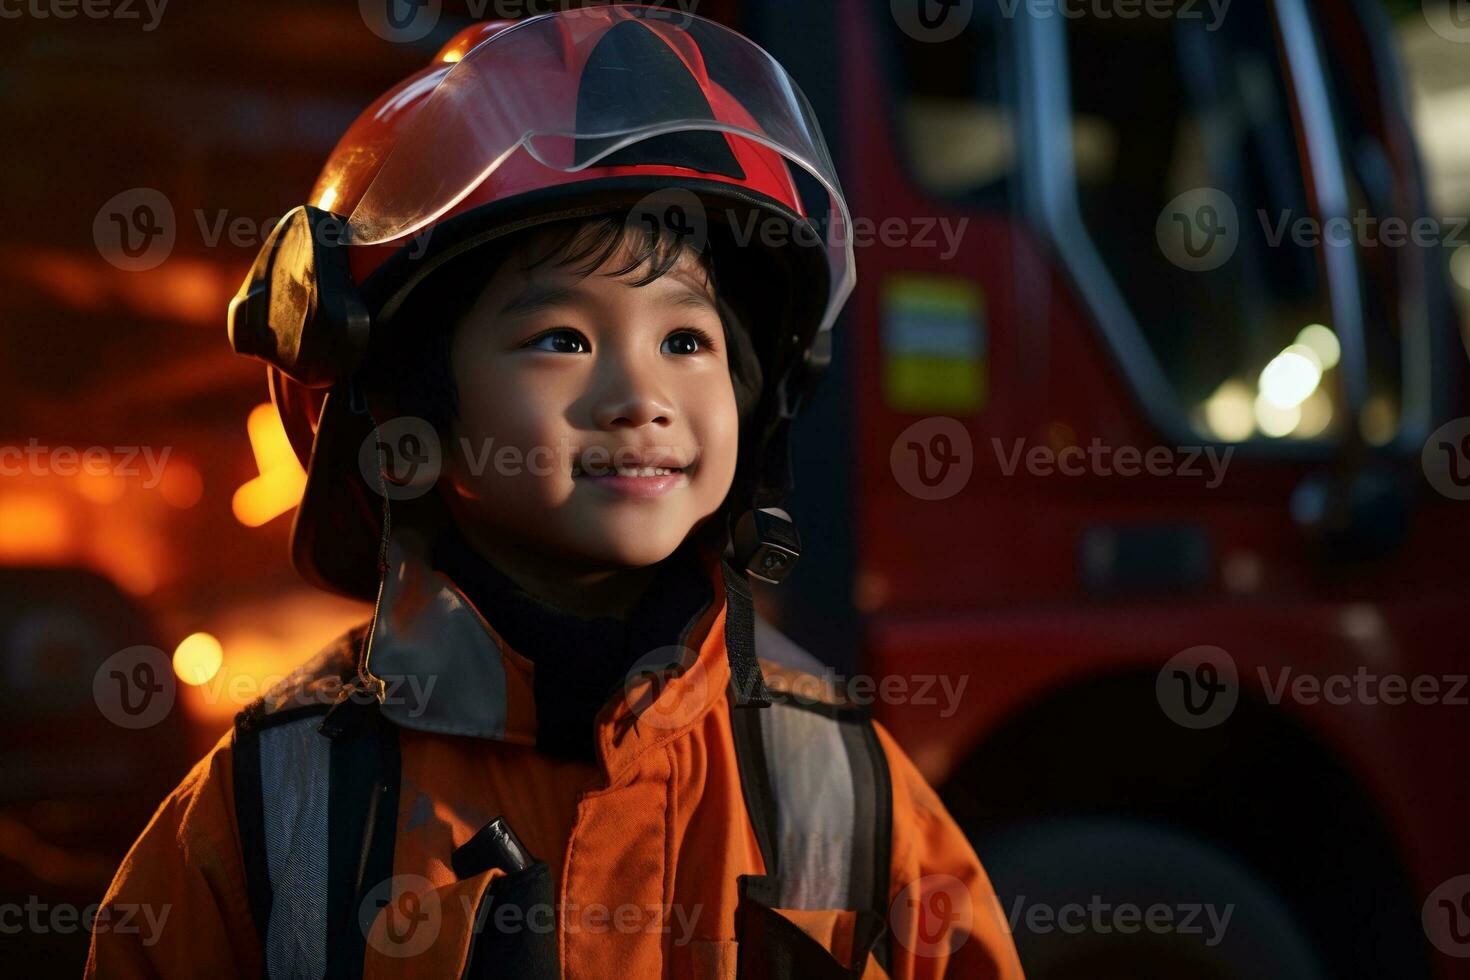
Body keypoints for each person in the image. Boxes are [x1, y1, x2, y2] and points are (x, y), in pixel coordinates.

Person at [86, 8, 1025, 978]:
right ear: (411, 412)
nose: (640, 398)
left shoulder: (851, 794)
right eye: (562, 340)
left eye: (686, 340)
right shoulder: (264, 807)